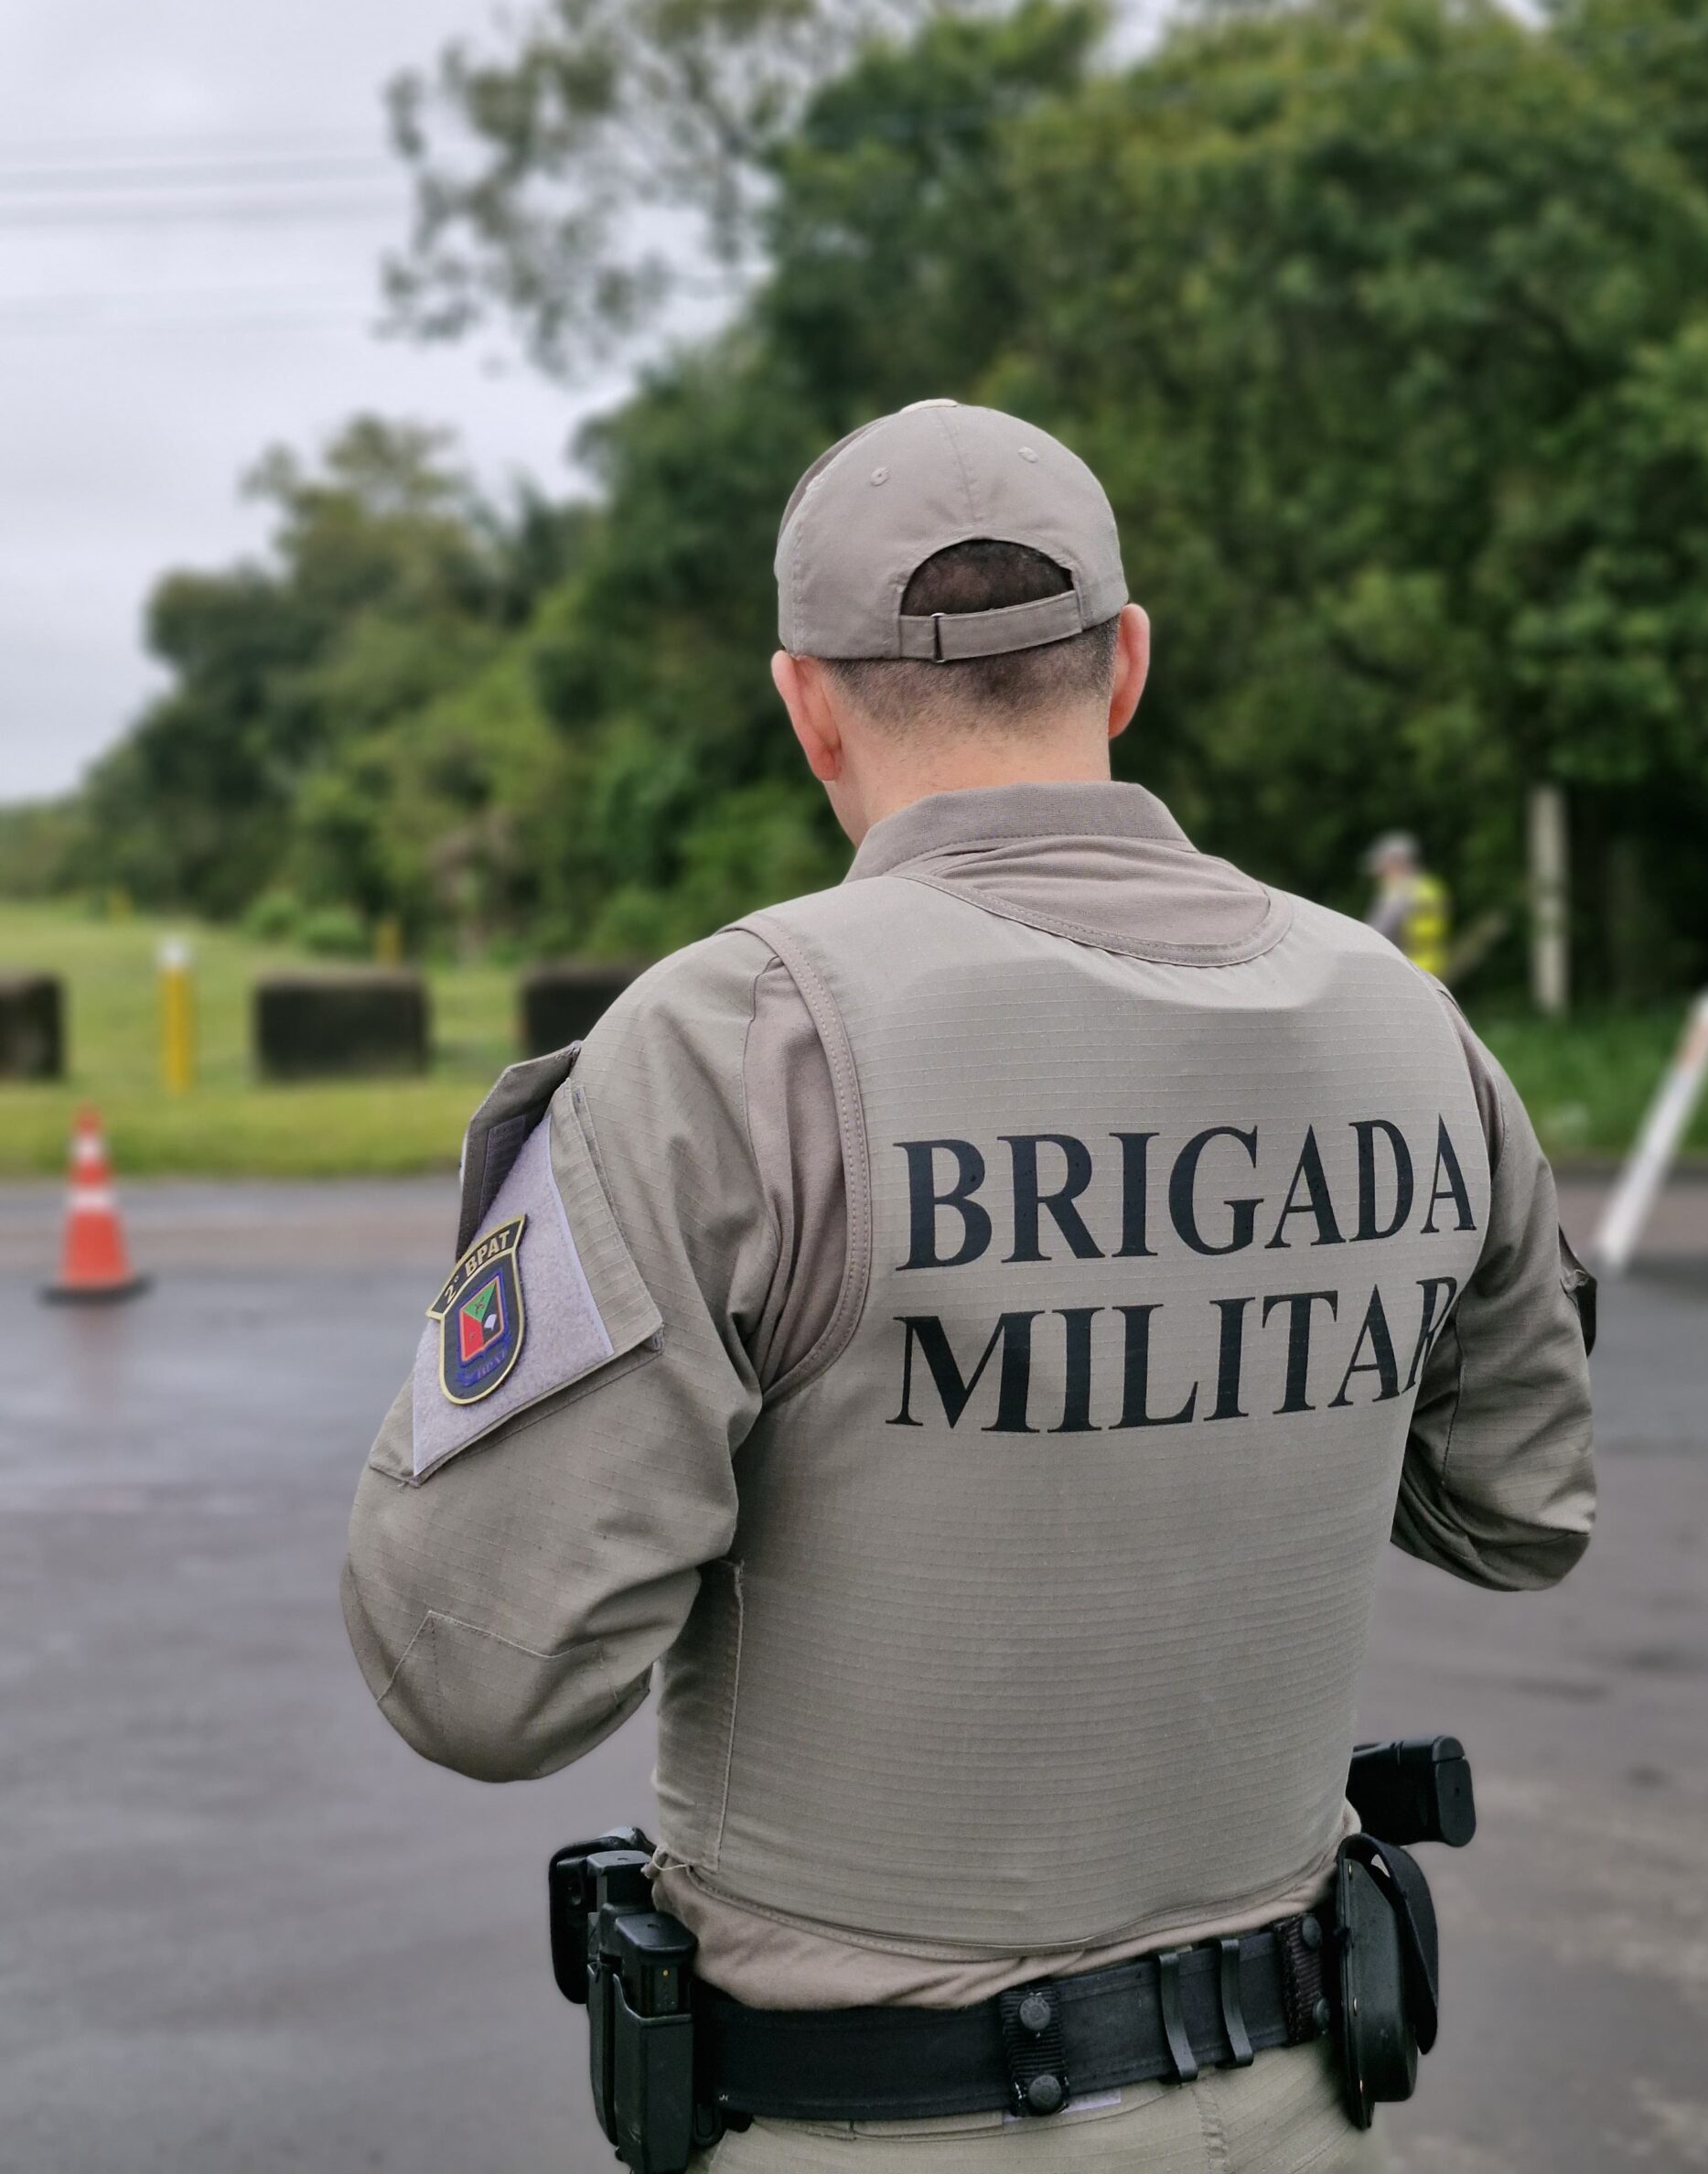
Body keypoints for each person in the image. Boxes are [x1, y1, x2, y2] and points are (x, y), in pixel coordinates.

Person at [343, 401, 1595, 2172]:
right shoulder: (1410, 1023)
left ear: (805, 700)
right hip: (1301, 2092)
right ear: (1129, 663)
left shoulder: (731, 1039)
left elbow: (480, 1673)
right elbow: (1522, 1508)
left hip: (864, 2118)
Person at [1365, 834, 1451, 978]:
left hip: (1405, 968)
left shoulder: (1399, 893)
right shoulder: (1430, 888)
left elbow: (1378, 932)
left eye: (1384, 870)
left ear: (1394, 865)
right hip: (1434, 964)